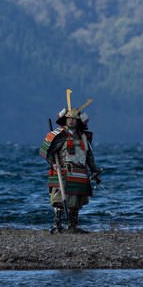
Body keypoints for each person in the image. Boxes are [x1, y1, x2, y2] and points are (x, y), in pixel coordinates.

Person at [39, 90, 102, 233]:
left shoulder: (84, 137)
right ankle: (57, 225)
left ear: (79, 121)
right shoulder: (59, 135)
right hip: (63, 170)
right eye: (69, 118)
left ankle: (72, 226)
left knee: (76, 201)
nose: (71, 120)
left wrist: (94, 170)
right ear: (65, 120)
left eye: (74, 118)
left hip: (80, 172)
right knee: (60, 199)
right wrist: (52, 163)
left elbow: (89, 155)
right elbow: (44, 151)